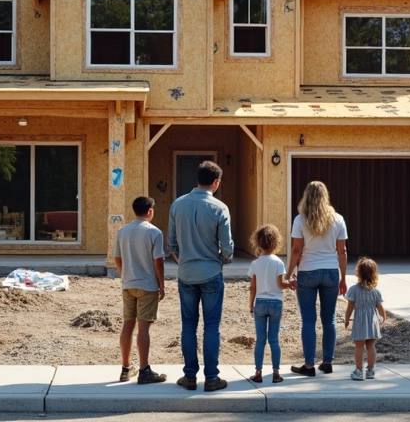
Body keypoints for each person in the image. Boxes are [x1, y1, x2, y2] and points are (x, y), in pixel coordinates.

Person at [167, 160, 234, 392]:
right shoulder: (219, 208)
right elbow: (227, 248)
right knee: (211, 326)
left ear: (197, 179)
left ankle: (190, 376)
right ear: (216, 182)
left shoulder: (177, 205)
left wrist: (183, 258)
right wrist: (222, 259)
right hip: (211, 272)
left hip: (186, 273)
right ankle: (212, 377)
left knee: (188, 325)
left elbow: (172, 243)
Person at [286, 180, 348, 377]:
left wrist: (288, 274)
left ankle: (309, 365)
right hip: (331, 272)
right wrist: (343, 278)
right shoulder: (338, 219)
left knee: (308, 320)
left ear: (307, 196)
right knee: (329, 319)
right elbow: (342, 251)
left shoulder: (300, 220)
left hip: (308, 271)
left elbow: (296, 249)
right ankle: (327, 362)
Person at [114, 196, 168, 385]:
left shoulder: (123, 231)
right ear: (150, 211)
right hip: (147, 285)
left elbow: (117, 258)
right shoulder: (154, 232)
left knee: (128, 325)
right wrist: (161, 284)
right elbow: (158, 261)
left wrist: (124, 276)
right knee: (143, 327)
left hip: (128, 284)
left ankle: (125, 368)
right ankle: (145, 370)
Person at [247, 224, 292, 384]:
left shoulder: (255, 264)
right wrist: (290, 283)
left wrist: (251, 304)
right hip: (276, 303)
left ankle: (258, 372)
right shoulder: (279, 262)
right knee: (274, 339)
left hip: (260, 301)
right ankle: (276, 372)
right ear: (276, 242)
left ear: (258, 243)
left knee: (260, 340)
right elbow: (281, 284)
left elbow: (253, 287)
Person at [344, 257, 386, 381]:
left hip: (360, 322)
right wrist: (383, 316)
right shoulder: (375, 292)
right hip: (373, 321)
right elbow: (380, 306)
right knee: (371, 345)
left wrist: (346, 319)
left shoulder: (354, 290)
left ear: (358, 273)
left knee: (359, 346)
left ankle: (358, 371)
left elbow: (350, 306)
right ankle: (371, 370)